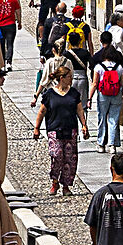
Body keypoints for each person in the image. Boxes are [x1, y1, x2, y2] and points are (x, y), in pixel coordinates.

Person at [33, 61, 85, 198]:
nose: (71, 80)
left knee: (70, 159)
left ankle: (66, 185)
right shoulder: (50, 94)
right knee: (56, 156)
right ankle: (55, 181)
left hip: (70, 130)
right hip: (54, 130)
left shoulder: (73, 93)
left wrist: (84, 125)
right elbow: (42, 111)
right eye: (69, 77)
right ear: (62, 78)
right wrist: (36, 128)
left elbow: (79, 110)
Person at [89, 32, 123, 153]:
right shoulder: (119, 68)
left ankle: (101, 144)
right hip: (116, 94)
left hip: (103, 94)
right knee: (113, 119)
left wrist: (89, 98)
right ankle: (112, 145)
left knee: (102, 118)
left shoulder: (99, 67)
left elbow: (94, 84)